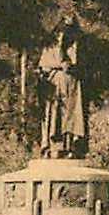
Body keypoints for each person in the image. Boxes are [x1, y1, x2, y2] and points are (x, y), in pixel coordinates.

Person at [38, 19, 88, 158]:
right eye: (62, 30)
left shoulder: (77, 45)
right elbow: (43, 67)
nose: (64, 34)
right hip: (56, 87)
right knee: (55, 117)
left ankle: (72, 147)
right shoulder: (50, 46)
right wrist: (58, 66)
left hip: (73, 88)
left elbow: (83, 65)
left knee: (73, 118)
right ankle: (54, 147)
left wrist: (72, 66)